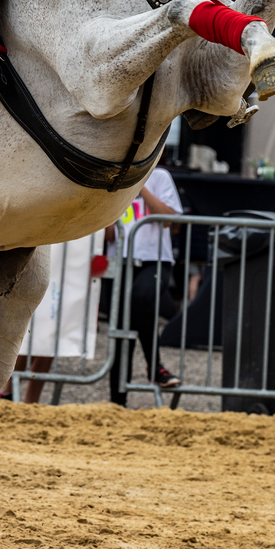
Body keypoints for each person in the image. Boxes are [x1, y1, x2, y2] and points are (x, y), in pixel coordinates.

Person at [107, 169, 183, 407]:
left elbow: (169, 219)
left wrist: (138, 185)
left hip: (154, 258)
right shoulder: (114, 176)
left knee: (141, 297)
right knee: (121, 331)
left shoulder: (159, 176)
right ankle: (118, 402)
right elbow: (110, 235)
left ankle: (155, 367)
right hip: (121, 260)